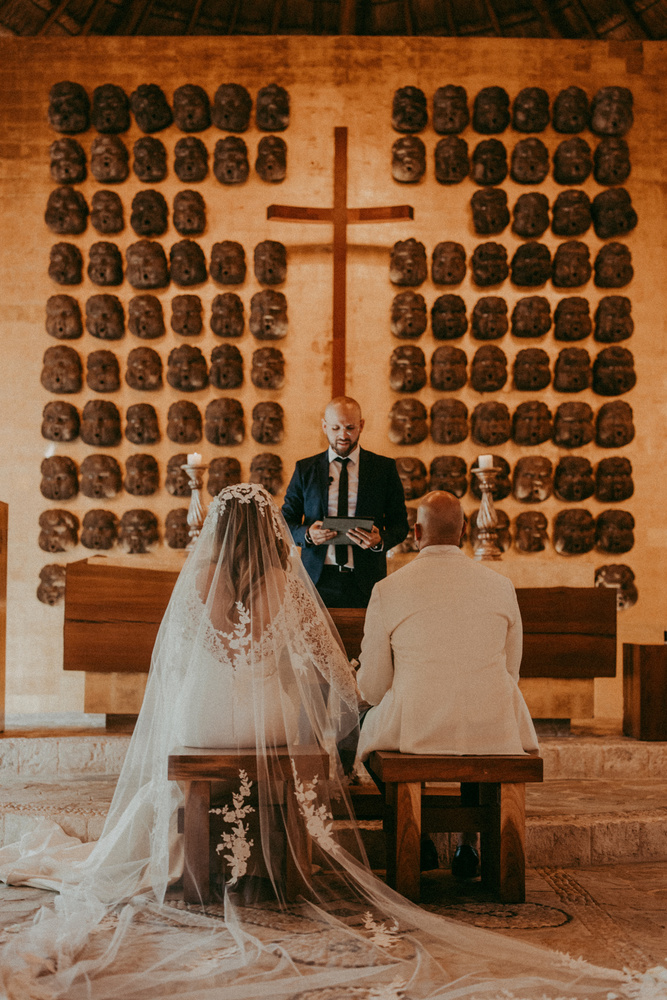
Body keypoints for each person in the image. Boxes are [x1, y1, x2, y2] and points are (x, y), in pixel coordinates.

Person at [0, 486, 637, 999]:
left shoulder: (196, 584)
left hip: (200, 716)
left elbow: (176, 664)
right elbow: (317, 670)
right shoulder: (285, 585)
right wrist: (309, 708)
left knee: (238, 719)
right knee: (305, 720)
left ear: (218, 535)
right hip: (283, 723)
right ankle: (303, 850)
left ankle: (202, 858)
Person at [356, 490, 539, 878]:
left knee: (364, 729)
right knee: (477, 719)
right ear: (465, 530)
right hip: (494, 726)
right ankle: (469, 845)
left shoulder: (389, 589)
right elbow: (511, 669)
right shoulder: (500, 585)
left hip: (416, 726)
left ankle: (416, 837)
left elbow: (372, 687)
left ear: (417, 531)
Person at [282, 396, 409, 607]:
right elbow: (285, 520)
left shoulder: (383, 469)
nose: (343, 435)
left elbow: (400, 524)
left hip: (366, 582)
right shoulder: (305, 469)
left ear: (361, 425)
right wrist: (307, 535)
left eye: (350, 427)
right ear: (324, 426)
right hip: (316, 581)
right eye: (335, 428)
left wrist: (379, 541)